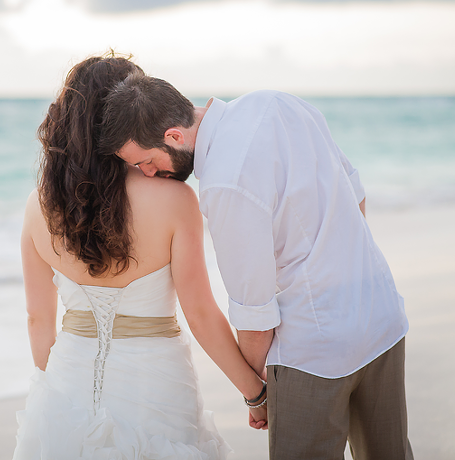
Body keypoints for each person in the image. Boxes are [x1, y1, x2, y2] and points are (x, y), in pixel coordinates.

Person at [100, 74, 414, 460]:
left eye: (146, 162)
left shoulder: (224, 182)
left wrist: (257, 393)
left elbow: (255, 316)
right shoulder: (277, 101)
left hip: (314, 351)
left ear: (174, 136)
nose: (148, 174)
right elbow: (355, 194)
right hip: (382, 317)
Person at [12, 54, 267, 459]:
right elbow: (200, 313)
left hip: (66, 384)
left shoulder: (38, 205)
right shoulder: (175, 200)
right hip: (156, 388)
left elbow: (37, 320)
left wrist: (55, 403)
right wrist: (255, 393)